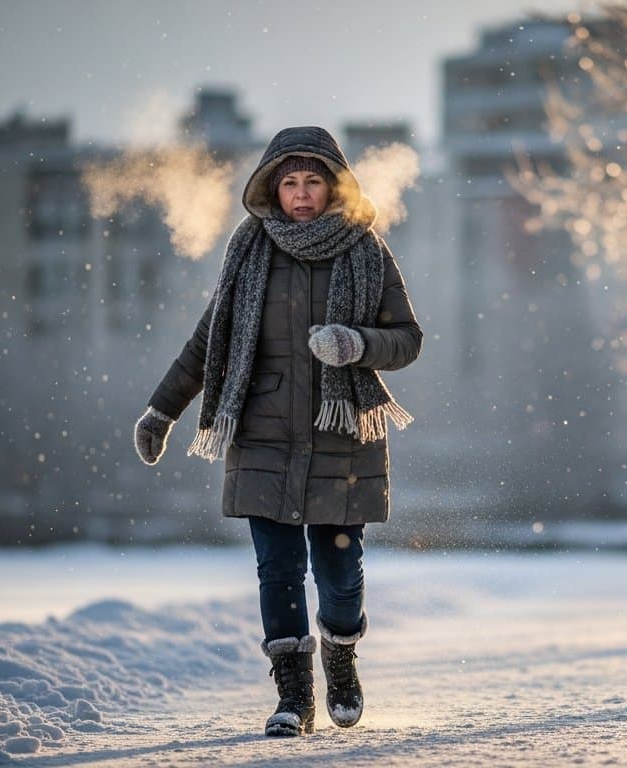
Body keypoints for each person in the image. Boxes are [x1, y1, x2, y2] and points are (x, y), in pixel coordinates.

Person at [131, 126, 421, 736]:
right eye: (289, 182)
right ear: (272, 188)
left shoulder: (366, 250)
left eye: (314, 180)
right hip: (262, 435)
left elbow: (406, 340)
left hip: (341, 435)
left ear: (334, 184)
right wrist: (163, 410)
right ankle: (294, 699)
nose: (302, 193)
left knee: (340, 576)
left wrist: (355, 344)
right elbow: (207, 343)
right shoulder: (249, 252)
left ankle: (341, 659)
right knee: (278, 571)